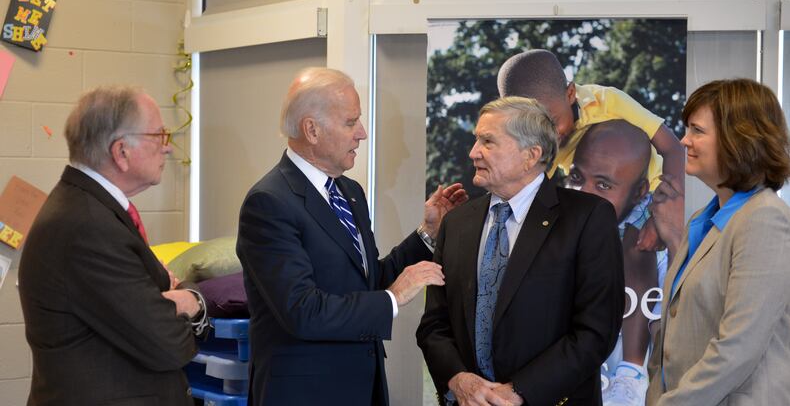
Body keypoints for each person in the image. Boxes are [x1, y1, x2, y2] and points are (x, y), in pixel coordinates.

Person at [236, 67, 467, 405]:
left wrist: (427, 234)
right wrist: (393, 299)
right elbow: (302, 311)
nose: (362, 133)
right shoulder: (269, 203)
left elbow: (366, 281)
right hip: (304, 394)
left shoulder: (350, 191)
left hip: (361, 386)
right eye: (350, 122)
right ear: (311, 130)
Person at [417, 96, 624, 406]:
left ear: (531, 155)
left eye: (487, 141)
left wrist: (517, 392)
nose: (473, 153)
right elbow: (434, 324)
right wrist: (459, 380)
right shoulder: (457, 222)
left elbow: (596, 330)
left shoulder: (588, 217)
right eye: (476, 140)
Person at [18, 86, 208, 406]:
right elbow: (169, 345)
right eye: (159, 135)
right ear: (121, 152)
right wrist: (191, 300)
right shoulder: (88, 227)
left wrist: (163, 303)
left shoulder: (90, 210)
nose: (168, 149)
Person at [646, 79, 790, 405]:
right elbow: (669, 337)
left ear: (738, 139)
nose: (684, 141)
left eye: (697, 130)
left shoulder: (764, 219)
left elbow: (738, 347)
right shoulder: (702, 220)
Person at [497, 49, 685, 251]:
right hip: (596, 207)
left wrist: (660, 214)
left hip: (650, 198)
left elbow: (673, 149)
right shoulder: (538, 144)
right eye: (534, 129)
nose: (547, 135)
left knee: (637, 254)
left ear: (570, 94)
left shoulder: (608, 102)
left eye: (552, 122)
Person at [566, 120, 667, 406]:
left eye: (603, 184)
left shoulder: (659, 261)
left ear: (639, 193)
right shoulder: (554, 238)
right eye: (576, 177)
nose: (583, 193)